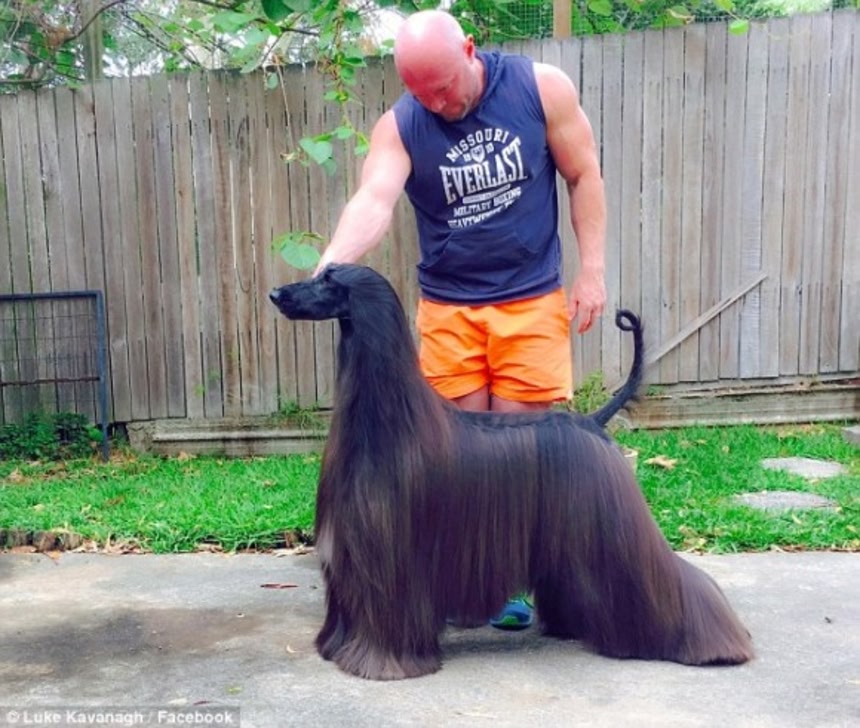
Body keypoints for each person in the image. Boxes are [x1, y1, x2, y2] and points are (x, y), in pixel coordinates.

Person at [313, 9, 607, 628]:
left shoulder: (540, 89)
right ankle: (468, 588)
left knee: (520, 465)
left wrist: (593, 270)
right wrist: (333, 263)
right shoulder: (401, 126)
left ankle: (522, 581)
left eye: (444, 88)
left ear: (470, 49)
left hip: (529, 299)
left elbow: (583, 174)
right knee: (455, 468)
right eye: (422, 94)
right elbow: (375, 198)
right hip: (450, 308)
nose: (437, 104)